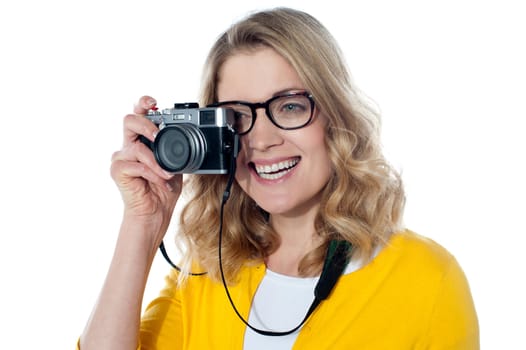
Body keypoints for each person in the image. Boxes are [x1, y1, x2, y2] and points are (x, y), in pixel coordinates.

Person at [78, 7, 479, 350]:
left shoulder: (426, 279)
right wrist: (142, 225)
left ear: (336, 117)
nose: (262, 140)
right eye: (237, 116)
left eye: (288, 106)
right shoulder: (207, 271)